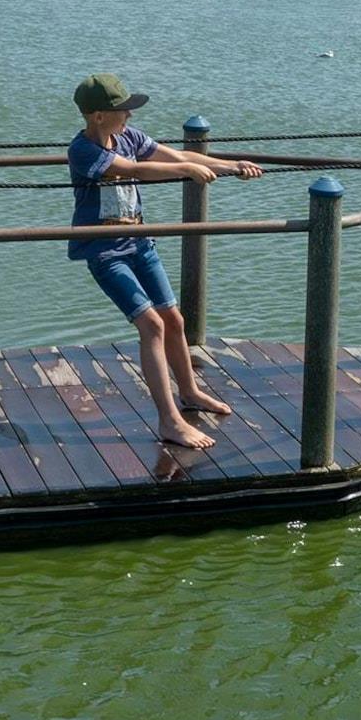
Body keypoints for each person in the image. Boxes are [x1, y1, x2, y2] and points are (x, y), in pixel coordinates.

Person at [68, 73, 261, 448]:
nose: (129, 115)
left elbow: (178, 156)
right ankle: (170, 421)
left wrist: (231, 165)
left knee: (174, 319)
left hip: (140, 242)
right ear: (98, 116)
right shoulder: (82, 150)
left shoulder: (129, 137)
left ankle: (189, 392)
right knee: (152, 325)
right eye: (122, 110)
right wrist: (187, 171)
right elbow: (133, 170)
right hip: (104, 251)